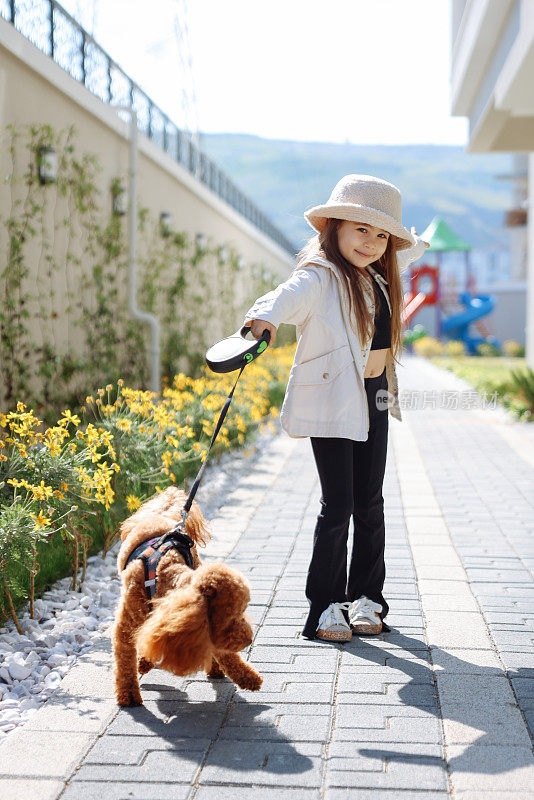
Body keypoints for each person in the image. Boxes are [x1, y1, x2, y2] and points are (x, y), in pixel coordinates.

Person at [243, 174, 430, 642]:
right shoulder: (321, 275)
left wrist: (406, 240)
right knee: (338, 505)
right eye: (361, 229)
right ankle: (326, 606)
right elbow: (289, 294)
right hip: (334, 398)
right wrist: (264, 315)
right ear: (334, 228)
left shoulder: (380, 275)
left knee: (371, 503)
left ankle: (367, 599)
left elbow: (406, 251)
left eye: (381, 233)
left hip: (377, 396)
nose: (371, 242)